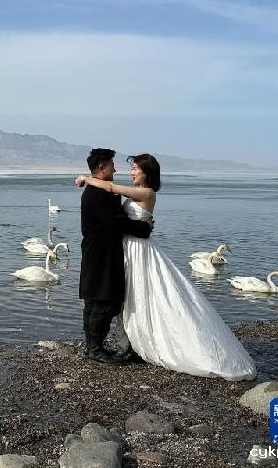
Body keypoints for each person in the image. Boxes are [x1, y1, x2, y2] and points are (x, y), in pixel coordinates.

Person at [76, 153, 256, 381]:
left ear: (147, 173)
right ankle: (127, 345)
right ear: (102, 167)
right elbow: (116, 211)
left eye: (135, 169)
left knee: (146, 295)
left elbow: (112, 189)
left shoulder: (147, 192)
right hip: (127, 250)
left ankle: (141, 345)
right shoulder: (115, 192)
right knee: (132, 298)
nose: (129, 172)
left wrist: (87, 178)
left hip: (139, 250)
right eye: (127, 168)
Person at [77, 148, 153, 365]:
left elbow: (116, 219)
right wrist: (142, 228)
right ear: (101, 167)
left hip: (99, 251)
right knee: (103, 301)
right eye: (111, 164)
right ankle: (95, 348)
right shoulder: (97, 193)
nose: (115, 168)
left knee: (96, 300)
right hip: (101, 253)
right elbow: (115, 222)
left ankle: (93, 347)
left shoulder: (98, 190)